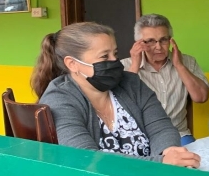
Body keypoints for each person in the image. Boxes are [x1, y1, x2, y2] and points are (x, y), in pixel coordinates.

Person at [31, 22, 200, 168]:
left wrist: (168, 151)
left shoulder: (130, 83)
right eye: (105, 56)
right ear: (72, 64)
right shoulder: (59, 99)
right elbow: (86, 159)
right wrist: (160, 163)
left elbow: (161, 126)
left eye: (115, 54)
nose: (115, 62)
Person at [121, 14, 209, 146]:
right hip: (140, 135)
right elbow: (120, 105)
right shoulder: (125, 66)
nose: (158, 47)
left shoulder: (187, 62)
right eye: (150, 41)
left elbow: (201, 97)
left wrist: (179, 66)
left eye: (163, 40)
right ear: (139, 44)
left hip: (178, 134)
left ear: (170, 40)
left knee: (193, 163)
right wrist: (135, 65)